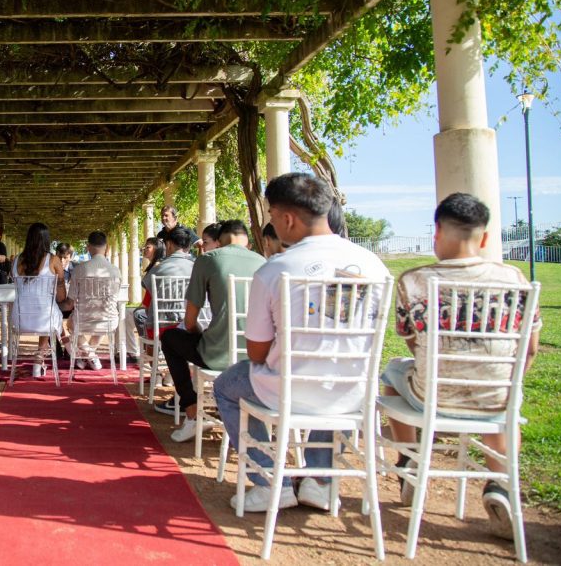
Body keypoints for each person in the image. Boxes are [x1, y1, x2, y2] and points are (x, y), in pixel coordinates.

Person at [212, 172, 390, 512]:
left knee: (225, 386)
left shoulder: (275, 269)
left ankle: (269, 482)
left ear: (287, 219)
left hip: (287, 390)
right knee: (332, 377)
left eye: (271, 215)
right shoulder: (374, 265)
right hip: (353, 393)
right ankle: (319, 481)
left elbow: (257, 352)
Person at [381, 193, 541, 538]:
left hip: (432, 395)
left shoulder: (414, 280)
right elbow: (529, 349)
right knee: (500, 405)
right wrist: (507, 386)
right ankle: (500, 482)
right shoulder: (515, 280)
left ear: (437, 232)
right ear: (484, 238)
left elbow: (413, 343)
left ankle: (410, 459)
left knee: (393, 371)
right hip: (496, 396)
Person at [158, 219, 266, 442]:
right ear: (247, 241)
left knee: (169, 337)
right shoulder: (264, 263)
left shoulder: (208, 260)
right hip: (258, 357)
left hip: (218, 355)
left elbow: (189, 322)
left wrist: (201, 336)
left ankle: (191, 411)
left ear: (220, 241)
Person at [125, 227, 198, 361]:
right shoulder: (198, 267)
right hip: (193, 325)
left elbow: (147, 303)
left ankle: (154, 365)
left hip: (162, 327)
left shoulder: (158, 269)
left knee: (144, 317)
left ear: (168, 244)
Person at [12, 222, 73, 378]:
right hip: (44, 319)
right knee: (51, 312)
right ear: (46, 240)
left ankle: (67, 352)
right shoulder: (53, 260)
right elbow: (61, 297)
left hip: (20, 319)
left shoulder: (16, 260)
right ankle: (43, 359)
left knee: (49, 312)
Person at [68, 231, 121, 370]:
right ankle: (91, 356)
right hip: (109, 320)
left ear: (88, 247)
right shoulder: (115, 271)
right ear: (106, 247)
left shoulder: (79, 269)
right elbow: (116, 297)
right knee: (105, 319)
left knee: (71, 324)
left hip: (82, 320)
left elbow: (71, 299)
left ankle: (88, 356)